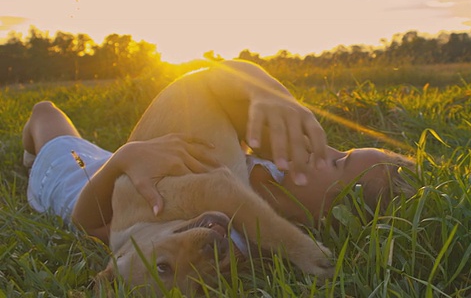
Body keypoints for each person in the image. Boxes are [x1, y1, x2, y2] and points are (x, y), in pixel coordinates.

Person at [22, 60, 416, 245]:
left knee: (46, 116)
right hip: (142, 157)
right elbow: (217, 85)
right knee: (56, 119)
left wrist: (125, 158)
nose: (325, 147)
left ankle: (31, 160)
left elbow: (89, 225)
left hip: (81, 182)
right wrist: (265, 92)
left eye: (337, 161)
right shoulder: (271, 176)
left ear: (334, 215)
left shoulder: (221, 225)